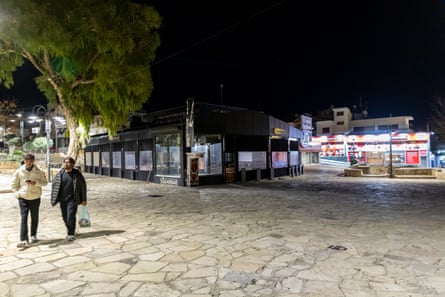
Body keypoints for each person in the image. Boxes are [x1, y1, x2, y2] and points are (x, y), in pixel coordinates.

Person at [11, 154, 48, 247]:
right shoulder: (19, 171)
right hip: (23, 197)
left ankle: (33, 235)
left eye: (31, 161)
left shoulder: (39, 172)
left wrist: (35, 183)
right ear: (24, 160)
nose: (29, 162)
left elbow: (45, 183)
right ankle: (23, 239)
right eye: (27, 160)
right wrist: (17, 194)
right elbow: (13, 185)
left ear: (33, 161)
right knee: (24, 218)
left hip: (35, 197)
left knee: (34, 217)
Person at [51, 157, 87, 241]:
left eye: (68, 162)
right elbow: (54, 186)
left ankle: (70, 234)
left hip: (73, 199)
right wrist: (54, 198)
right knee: (64, 217)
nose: (66, 164)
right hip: (62, 200)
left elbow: (83, 187)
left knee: (70, 216)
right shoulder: (60, 174)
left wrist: (84, 199)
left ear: (72, 164)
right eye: (65, 162)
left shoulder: (77, 174)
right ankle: (71, 230)